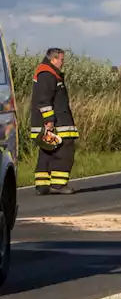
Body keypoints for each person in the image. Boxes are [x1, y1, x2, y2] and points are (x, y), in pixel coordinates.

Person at [30, 47, 79, 195]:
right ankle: (58, 185)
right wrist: (49, 121)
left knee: (47, 152)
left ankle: (43, 185)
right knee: (64, 151)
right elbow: (44, 100)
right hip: (55, 123)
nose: (62, 63)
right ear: (53, 59)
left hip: (53, 122)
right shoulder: (47, 74)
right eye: (61, 60)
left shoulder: (48, 73)